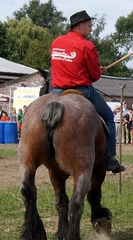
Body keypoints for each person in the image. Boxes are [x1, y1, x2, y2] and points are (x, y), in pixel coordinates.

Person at [50, 10, 125, 173]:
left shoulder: (56, 42)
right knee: (109, 117)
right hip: (82, 90)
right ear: (81, 25)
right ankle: (110, 158)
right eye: (89, 26)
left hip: (57, 91)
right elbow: (94, 75)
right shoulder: (87, 45)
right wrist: (98, 70)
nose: (90, 29)